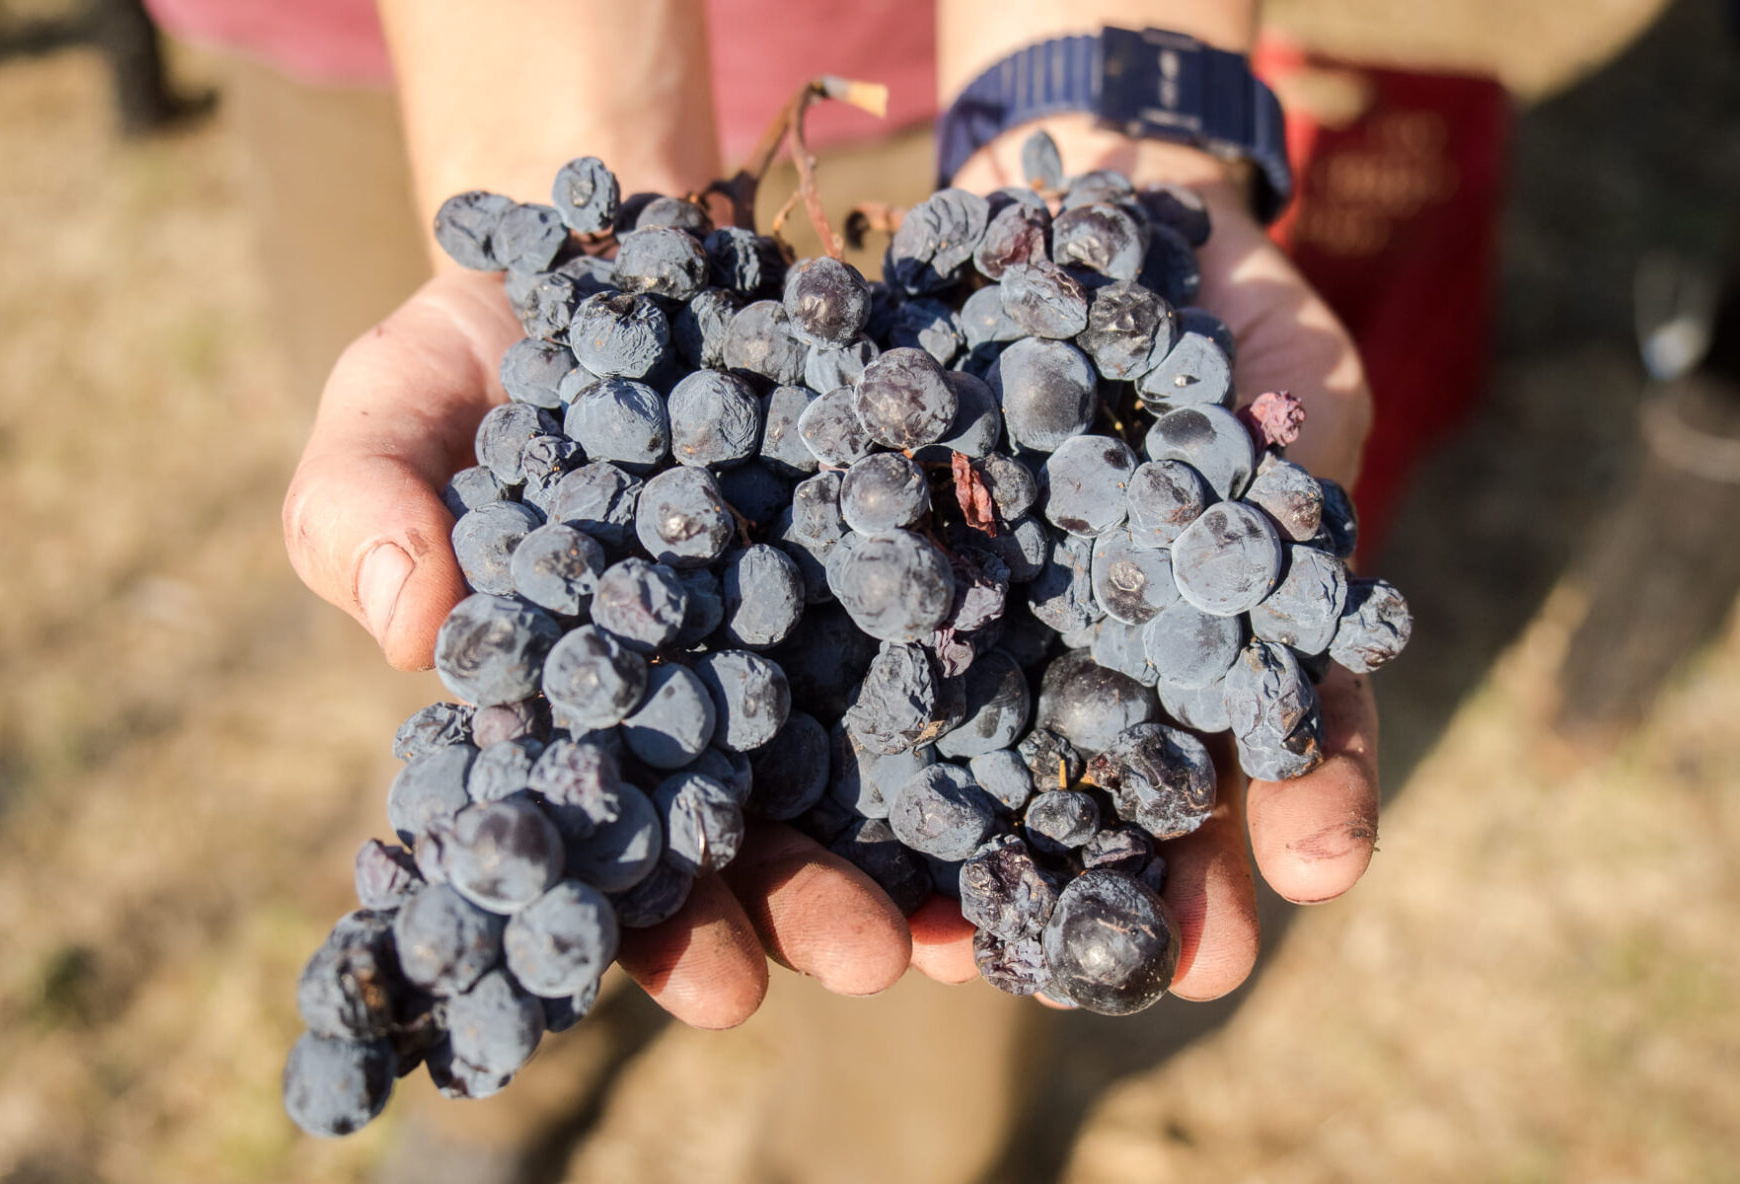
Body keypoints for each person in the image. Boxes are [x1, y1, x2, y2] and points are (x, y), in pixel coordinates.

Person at [212, 0, 1381, 1175]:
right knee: (459, 639)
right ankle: (485, 1115)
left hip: (928, 90)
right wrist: (562, 130)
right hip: (415, 56)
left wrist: (1105, 97)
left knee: (909, 1010)